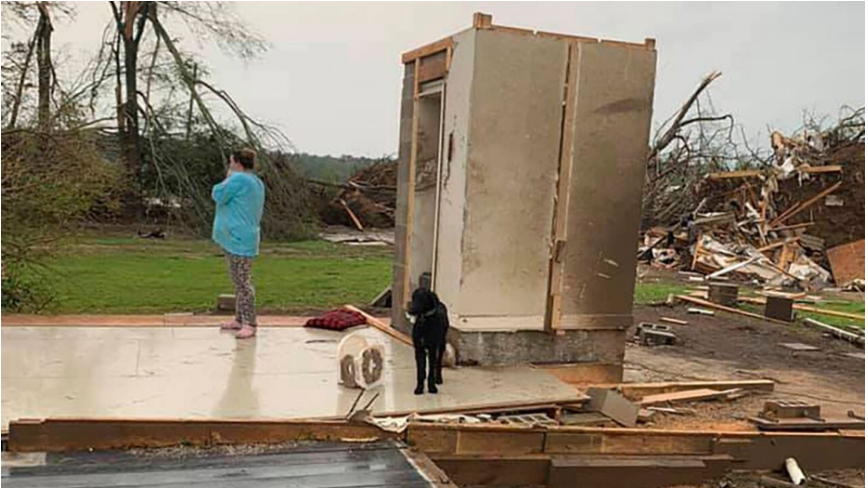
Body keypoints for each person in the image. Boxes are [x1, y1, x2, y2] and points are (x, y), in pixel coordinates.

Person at [212, 148, 266, 339]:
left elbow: (218, 195)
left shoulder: (238, 179)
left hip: (238, 238)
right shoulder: (256, 182)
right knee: (238, 280)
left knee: (242, 282)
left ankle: (250, 323)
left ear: (236, 162)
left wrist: (228, 177)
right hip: (242, 237)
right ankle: (238, 319)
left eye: (230, 161)